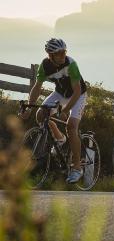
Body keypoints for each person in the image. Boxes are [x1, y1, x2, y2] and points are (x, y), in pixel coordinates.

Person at [20, 38, 87, 183]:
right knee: (40, 115)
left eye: (64, 52)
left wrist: (65, 111)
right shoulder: (45, 66)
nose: (63, 55)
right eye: (59, 53)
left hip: (78, 95)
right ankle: (59, 138)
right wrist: (29, 107)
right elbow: (37, 87)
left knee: (71, 126)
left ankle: (77, 168)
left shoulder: (71, 64)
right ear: (50, 55)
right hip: (60, 93)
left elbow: (77, 92)